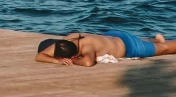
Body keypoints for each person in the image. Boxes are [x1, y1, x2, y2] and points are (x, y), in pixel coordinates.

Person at [37, 30, 176, 65]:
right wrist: (57, 61)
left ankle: (158, 42)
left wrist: (73, 61)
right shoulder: (69, 39)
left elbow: (88, 62)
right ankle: (155, 40)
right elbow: (40, 56)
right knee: (147, 43)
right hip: (111, 36)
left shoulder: (87, 48)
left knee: (164, 49)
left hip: (128, 46)